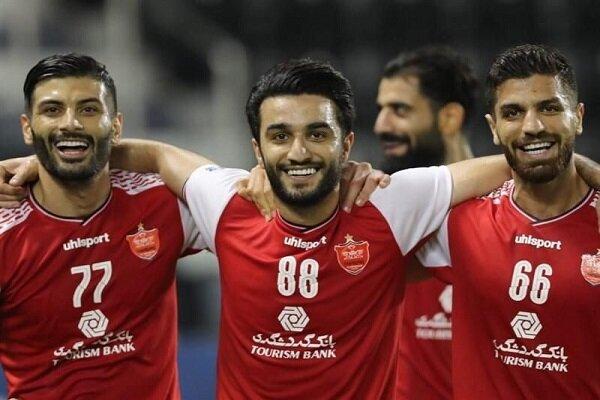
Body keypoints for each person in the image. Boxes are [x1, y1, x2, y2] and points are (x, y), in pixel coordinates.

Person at [102, 59, 517, 399]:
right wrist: (60, 156)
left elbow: (514, 164)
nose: (298, 152)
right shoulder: (228, 201)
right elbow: (159, 156)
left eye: (317, 134)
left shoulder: (387, 203)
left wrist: (560, 156)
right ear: (258, 150)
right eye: (280, 136)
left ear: (346, 144)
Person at [0, 53, 204, 399]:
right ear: (27, 128)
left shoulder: (161, 202)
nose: (71, 123)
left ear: (117, 126)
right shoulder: (6, 236)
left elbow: (233, 197)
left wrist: (153, 155)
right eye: (52, 110)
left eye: (89, 109)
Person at [417, 44, 600, 399]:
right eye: (513, 113)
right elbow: (359, 252)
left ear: (578, 117)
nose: (533, 126)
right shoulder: (459, 223)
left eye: (549, 108)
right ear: (494, 128)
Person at [374, 46, 478, 399]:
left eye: (399, 110)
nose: (381, 125)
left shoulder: (508, 211)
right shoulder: (376, 209)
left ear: (449, 118)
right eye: (381, 109)